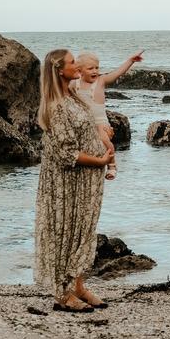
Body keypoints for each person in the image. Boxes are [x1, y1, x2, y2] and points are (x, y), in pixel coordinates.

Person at [34, 49, 115, 312]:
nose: (77, 65)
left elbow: (88, 124)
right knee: (65, 233)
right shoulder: (55, 105)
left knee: (82, 231)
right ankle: (62, 293)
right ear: (59, 70)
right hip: (67, 183)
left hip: (84, 182)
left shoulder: (73, 94)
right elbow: (67, 153)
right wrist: (101, 161)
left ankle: (78, 286)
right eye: (72, 62)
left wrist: (101, 132)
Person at [73, 50, 144, 179]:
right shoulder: (74, 84)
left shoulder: (101, 80)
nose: (95, 71)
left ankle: (112, 165)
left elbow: (118, 73)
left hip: (100, 121)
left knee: (105, 141)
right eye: (90, 68)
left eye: (97, 67)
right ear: (79, 70)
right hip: (82, 121)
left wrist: (131, 61)